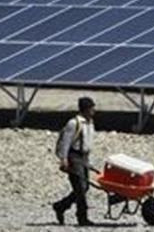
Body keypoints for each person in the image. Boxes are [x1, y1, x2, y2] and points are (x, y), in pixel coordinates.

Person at [52, 96, 96, 226]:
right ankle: (82, 218)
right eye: (92, 108)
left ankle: (61, 206)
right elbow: (66, 142)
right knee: (80, 187)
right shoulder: (73, 123)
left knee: (85, 187)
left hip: (84, 157)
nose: (94, 111)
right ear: (86, 109)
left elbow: (88, 141)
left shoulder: (90, 123)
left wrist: (88, 160)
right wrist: (64, 159)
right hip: (74, 156)